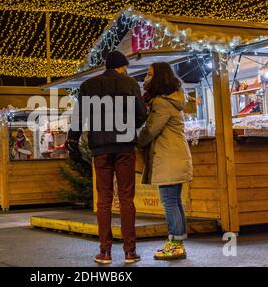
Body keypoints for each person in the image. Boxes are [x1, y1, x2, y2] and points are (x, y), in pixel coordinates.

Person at [66, 50, 147, 264]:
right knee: (127, 198)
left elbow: (78, 116)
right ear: (120, 66)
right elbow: (141, 113)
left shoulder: (88, 86)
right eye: (125, 67)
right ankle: (130, 251)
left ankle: (105, 252)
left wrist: (72, 139)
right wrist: (132, 126)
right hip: (125, 147)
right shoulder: (130, 83)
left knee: (104, 200)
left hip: (100, 149)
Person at [137, 62, 193, 260]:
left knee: (169, 201)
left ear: (159, 77)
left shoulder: (161, 102)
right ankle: (177, 243)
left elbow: (151, 130)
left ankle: (176, 243)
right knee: (174, 201)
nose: (146, 77)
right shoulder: (171, 99)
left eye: (150, 74)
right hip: (175, 155)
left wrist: (136, 140)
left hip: (169, 157)